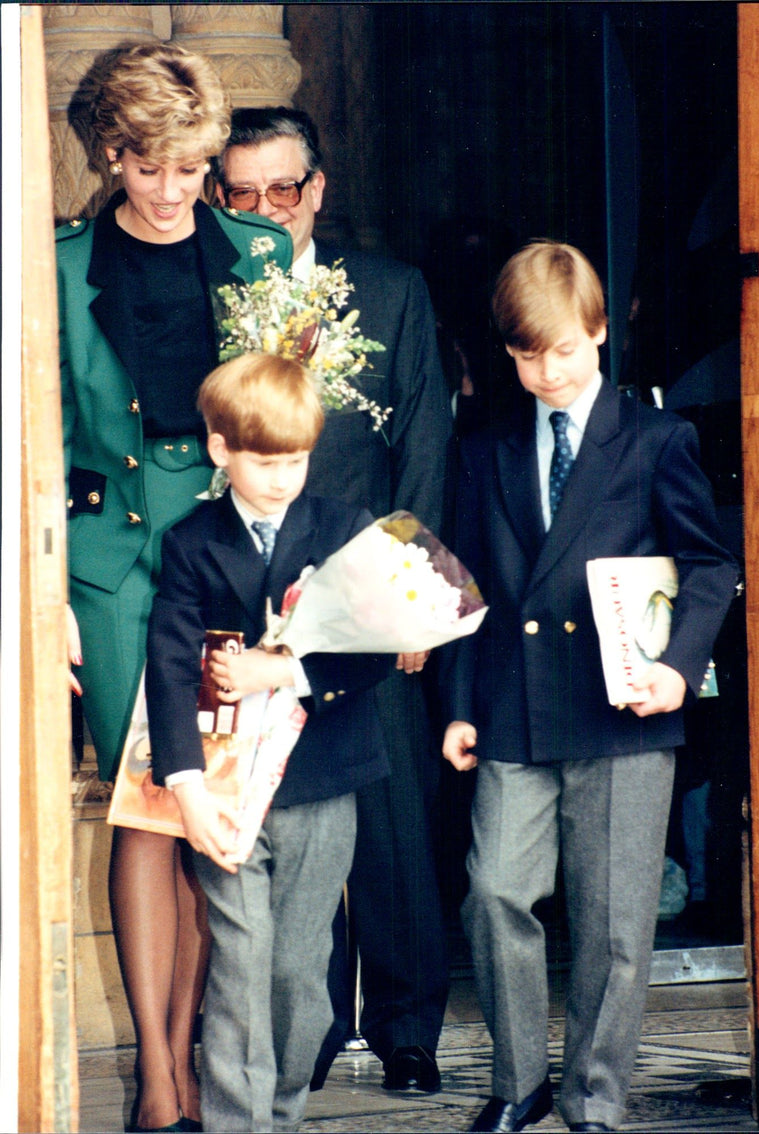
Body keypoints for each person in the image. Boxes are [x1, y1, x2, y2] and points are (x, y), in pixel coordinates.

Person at [440, 240, 739, 1133]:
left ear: (600, 333)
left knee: (613, 925)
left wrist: (678, 670)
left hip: (623, 712)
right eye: (528, 354)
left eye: (565, 350)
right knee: (494, 891)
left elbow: (710, 563)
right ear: (507, 351)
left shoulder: (656, 439)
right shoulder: (484, 449)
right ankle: (518, 1080)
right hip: (513, 711)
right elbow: (462, 589)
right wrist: (457, 707)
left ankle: (595, 1095)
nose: (548, 371)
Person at [56, 43, 292, 1132]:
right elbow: (31, 436)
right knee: (146, 809)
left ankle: (195, 1058)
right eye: (148, 166)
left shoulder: (258, 256)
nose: (171, 189)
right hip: (107, 565)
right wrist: (44, 588)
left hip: (224, 561)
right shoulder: (55, 267)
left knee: (211, 805)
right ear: (111, 155)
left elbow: (292, 427)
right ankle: (157, 1074)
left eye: (191, 166)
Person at [214, 107, 453, 1091]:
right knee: (281, 817)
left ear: (316, 189)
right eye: (243, 193)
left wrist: (410, 606)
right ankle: (300, 1030)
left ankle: (405, 1031)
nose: (265, 209)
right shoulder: (210, 291)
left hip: (366, 598)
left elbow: (425, 448)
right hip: (252, 598)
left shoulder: (390, 294)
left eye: (283, 188)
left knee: (391, 816)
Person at [144, 352, 395, 1132]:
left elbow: (379, 645)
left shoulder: (346, 527)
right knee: (241, 968)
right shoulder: (190, 542)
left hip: (324, 780)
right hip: (222, 792)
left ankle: (281, 1112)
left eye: (297, 460)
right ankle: (234, 1122)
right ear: (221, 450)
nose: (284, 477)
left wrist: (281, 670)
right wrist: (183, 788)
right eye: (265, 461)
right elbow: (169, 661)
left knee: (295, 971)